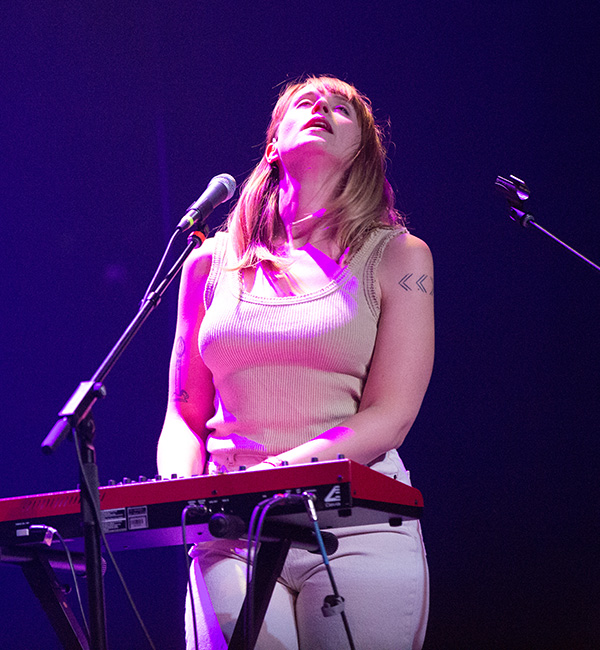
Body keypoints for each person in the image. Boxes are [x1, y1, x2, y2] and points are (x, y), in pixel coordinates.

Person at [157, 75, 433, 649]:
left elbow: (392, 414)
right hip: (232, 530)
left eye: (342, 109)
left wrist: (276, 477)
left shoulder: (400, 256)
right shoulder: (208, 263)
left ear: (362, 152)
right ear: (273, 145)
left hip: (357, 525)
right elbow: (184, 414)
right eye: (306, 102)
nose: (322, 109)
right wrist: (181, 496)